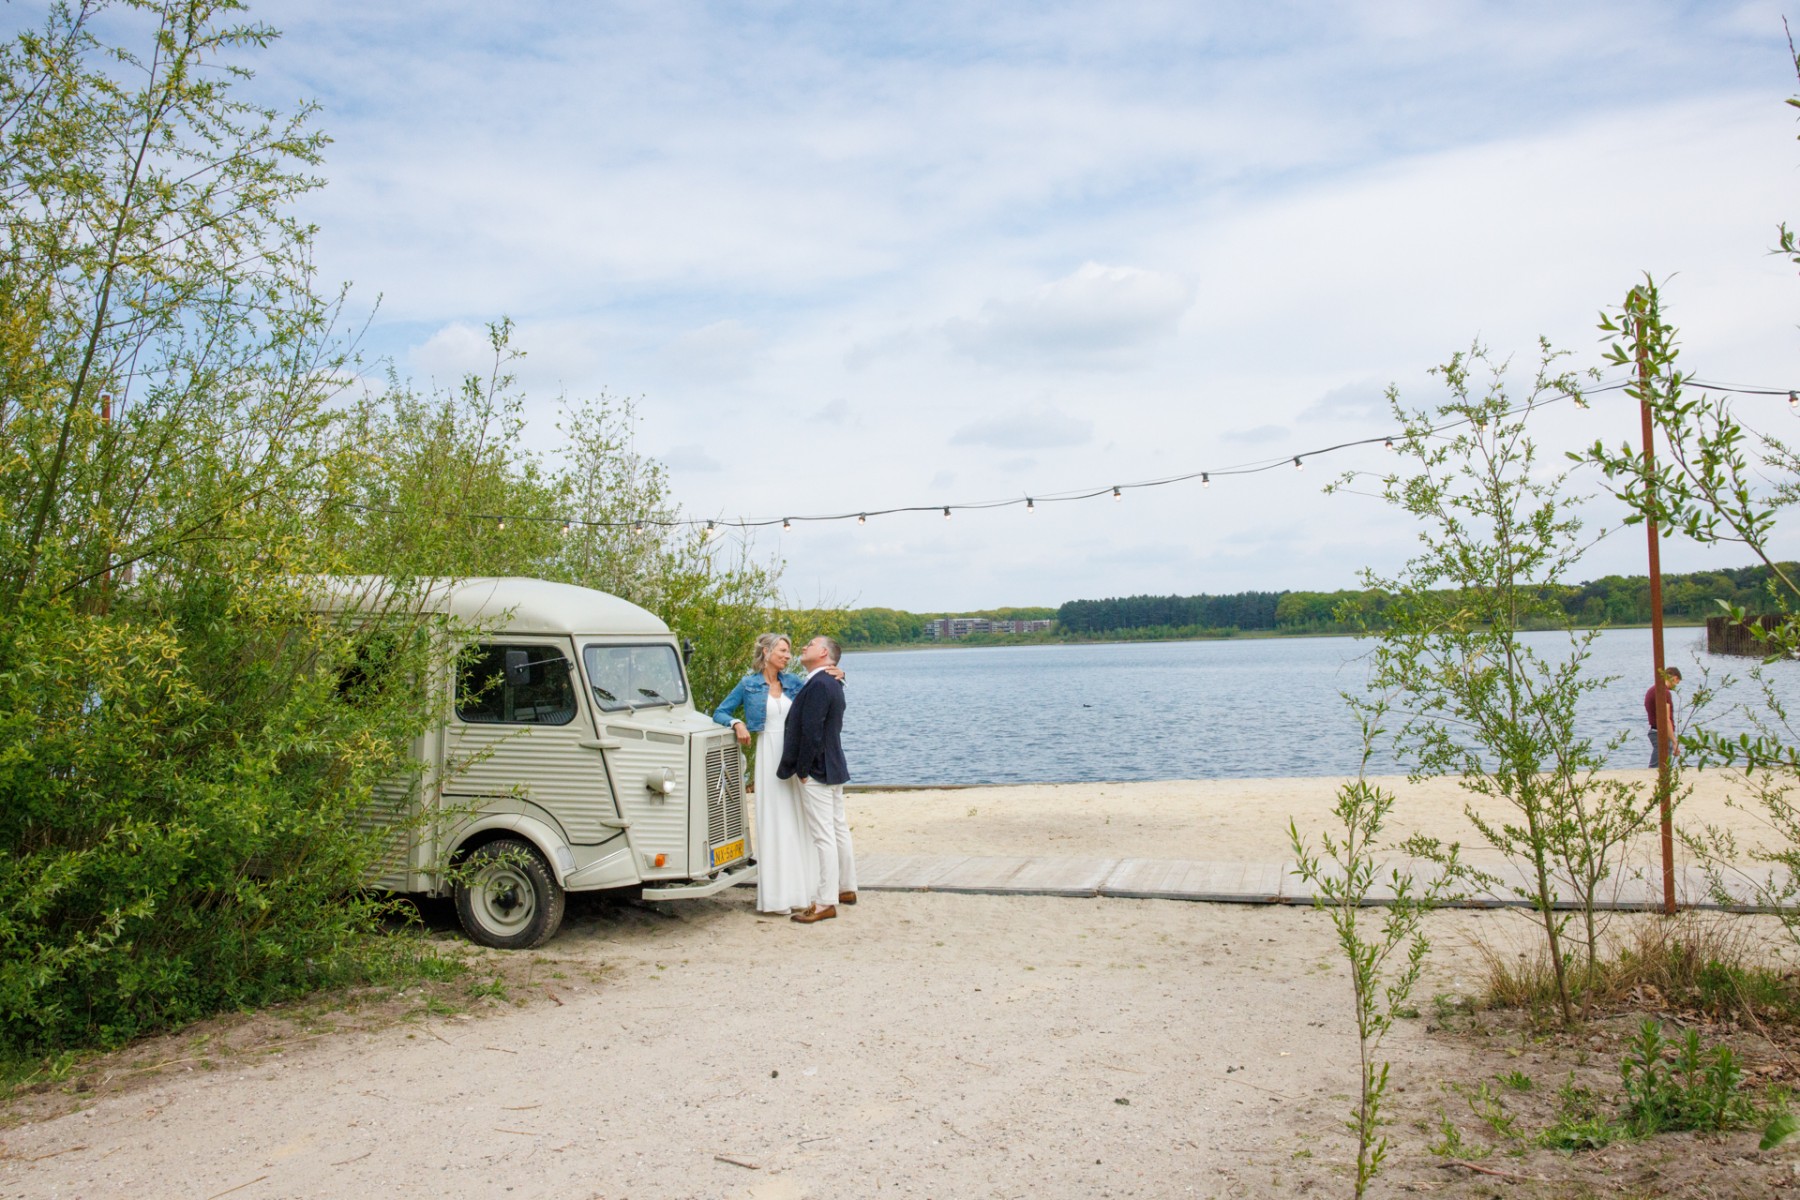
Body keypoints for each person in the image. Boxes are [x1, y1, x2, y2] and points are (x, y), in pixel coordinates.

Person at [713, 634, 833, 915]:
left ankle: (803, 892)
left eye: (789, 652)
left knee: (798, 819)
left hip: (793, 752)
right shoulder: (748, 684)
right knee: (775, 819)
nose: (788, 656)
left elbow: (822, 692)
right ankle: (778, 897)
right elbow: (720, 711)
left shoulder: (794, 682)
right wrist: (737, 723)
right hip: (768, 752)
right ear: (766, 652)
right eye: (782, 650)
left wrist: (838, 675)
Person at [777, 635, 858, 924]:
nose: (803, 647)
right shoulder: (832, 682)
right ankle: (846, 887)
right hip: (833, 765)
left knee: (824, 835)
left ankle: (825, 902)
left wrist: (802, 769)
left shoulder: (821, 684)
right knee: (838, 829)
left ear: (823, 653)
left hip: (818, 769)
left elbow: (811, 731)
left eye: (810, 644)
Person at [1645, 666, 1682, 768]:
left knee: (1659, 765)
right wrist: (1674, 741)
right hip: (1661, 733)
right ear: (1675, 678)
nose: (1675, 686)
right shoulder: (1664, 693)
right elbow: (1666, 719)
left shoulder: (1652, 690)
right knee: (1659, 766)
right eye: (1677, 683)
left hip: (1654, 730)